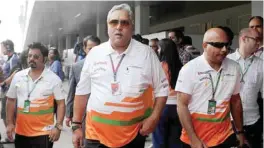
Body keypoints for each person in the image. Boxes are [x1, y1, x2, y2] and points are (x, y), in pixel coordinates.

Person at [72, 3, 168, 148]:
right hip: (95, 135)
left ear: (132, 26)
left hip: (133, 135)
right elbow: (82, 92)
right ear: (107, 26)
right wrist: (76, 125)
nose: (119, 26)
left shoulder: (146, 53)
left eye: (124, 22)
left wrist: (154, 118)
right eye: (114, 22)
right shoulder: (95, 54)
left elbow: (162, 90)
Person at [175, 28, 246, 148]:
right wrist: (193, 139)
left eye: (226, 45)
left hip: (224, 136)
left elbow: (236, 100)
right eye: (218, 45)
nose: (224, 50)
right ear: (204, 45)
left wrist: (239, 131)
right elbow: (182, 105)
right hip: (195, 139)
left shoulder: (234, 68)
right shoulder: (189, 69)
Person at [5, 42, 65, 148]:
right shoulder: (18, 76)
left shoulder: (53, 79)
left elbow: (61, 104)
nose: (31, 59)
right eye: (30, 56)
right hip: (21, 131)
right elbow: (11, 100)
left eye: (36, 57)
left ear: (45, 59)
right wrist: (10, 123)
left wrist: (58, 127)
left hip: (44, 133)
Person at [228, 28, 262, 148]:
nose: (259, 43)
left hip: (253, 120)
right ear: (244, 39)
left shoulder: (261, 64)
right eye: (256, 39)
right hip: (228, 122)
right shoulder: (226, 62)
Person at [152, 38, 183, 148]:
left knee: (159, 140)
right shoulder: (182, 67)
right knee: (175, 141)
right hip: (178, 107)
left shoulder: (159, 66)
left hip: (162, 106)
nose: (158, 50)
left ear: (163, 50)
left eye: (159, 48)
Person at [66, 35, 101, 127]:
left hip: (102, 112)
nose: (93, 51)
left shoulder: (108, 65)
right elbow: (71, 92)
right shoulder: (76, 67)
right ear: (84, 49)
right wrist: (69, 114)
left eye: (96, 48)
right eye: (90, 48)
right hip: (83, 112)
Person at [0, 39, 20, 128]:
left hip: (8, 91)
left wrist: (4, 83)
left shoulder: (13, 59)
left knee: (6, 114)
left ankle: (12, 136)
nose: (1, 49)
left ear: (8, 47)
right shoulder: (9, 59)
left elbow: (16, 73)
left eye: (2, 47)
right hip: (6, 90)